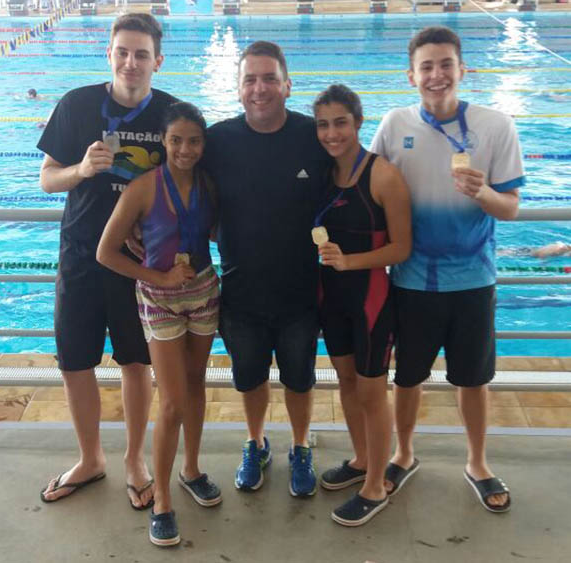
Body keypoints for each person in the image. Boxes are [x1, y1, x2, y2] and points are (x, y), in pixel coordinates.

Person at [370, 26, 523, 513]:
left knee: (474, 380)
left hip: (474, 280)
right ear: (411, 74)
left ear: (462, 69)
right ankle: (403, 453)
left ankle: (478, 461)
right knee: (407, 378)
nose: (436, 75)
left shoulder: (495, 127)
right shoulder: (395, 126)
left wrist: (483, 193)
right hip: (411, 280)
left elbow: (511, 207)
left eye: (445, 65)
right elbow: (368, 189)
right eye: (427, 66)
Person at [37, 13, 177, 511]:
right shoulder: (77, 106)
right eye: (122, 52)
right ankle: (90, 458)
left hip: (136, 264)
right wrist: (80, 168)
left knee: (136, 363)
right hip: (79, 258)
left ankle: (135, 461)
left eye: (141, 54)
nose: (131, 62)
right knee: (75, 363)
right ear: (109, 55)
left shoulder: (172, 114)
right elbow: (47, 179)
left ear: (158, 60)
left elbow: (190, 190)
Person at [202, 41, 331, 497]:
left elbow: (348, 189)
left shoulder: (311, 137)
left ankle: (299, 447)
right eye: (250, 80)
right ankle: (255, 443)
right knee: (249, 378)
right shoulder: (217, 141)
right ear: (238, 89)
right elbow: (181, 192)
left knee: (299, 379)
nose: (260, 89)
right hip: (241, 291)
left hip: (300, 293)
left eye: (270, 78)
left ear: (287, 85)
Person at [97, 102, 221, 547]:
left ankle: (191, 469)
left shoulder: (209, 185)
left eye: (193, 141)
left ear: (203, 145)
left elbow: (217, 231)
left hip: (204, 291)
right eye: (176, 140)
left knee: (196, 384)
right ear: (164, 142)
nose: (185, 149)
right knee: (171, 401)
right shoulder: (143, 188)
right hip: (160, 300)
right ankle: (164, 499)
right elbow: (106, 252)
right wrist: (159, 276)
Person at [313, 84, 412, 526]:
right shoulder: (322, 174)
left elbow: (401, 249)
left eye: (340, 123)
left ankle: (377, 483)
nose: (332, 133)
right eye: (323, 125)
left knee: (372, 392)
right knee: (346, 382)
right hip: (330, 299)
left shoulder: (383, 175)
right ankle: (360, 459)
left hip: (371, 298)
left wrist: (349, 261)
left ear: (358, 122)